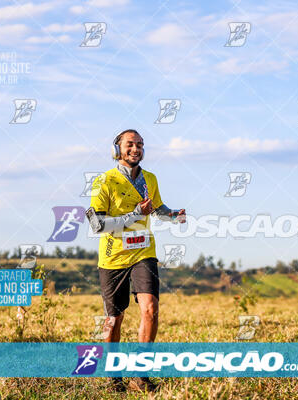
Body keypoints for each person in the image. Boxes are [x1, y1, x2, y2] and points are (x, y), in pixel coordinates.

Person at [85, 129, 186, 392]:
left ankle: (141, 376)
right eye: (130, 144)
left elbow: (158, 209)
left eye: (140, 144)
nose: (136, 148)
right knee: (113, 320)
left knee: (150, 309)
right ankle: (113, 376)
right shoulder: (103, 181)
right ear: (116, 149)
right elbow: (97, 225)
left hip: (144, 253)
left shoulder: (150, 179)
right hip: (113, 256)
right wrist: (133, 215)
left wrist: (174, 215)